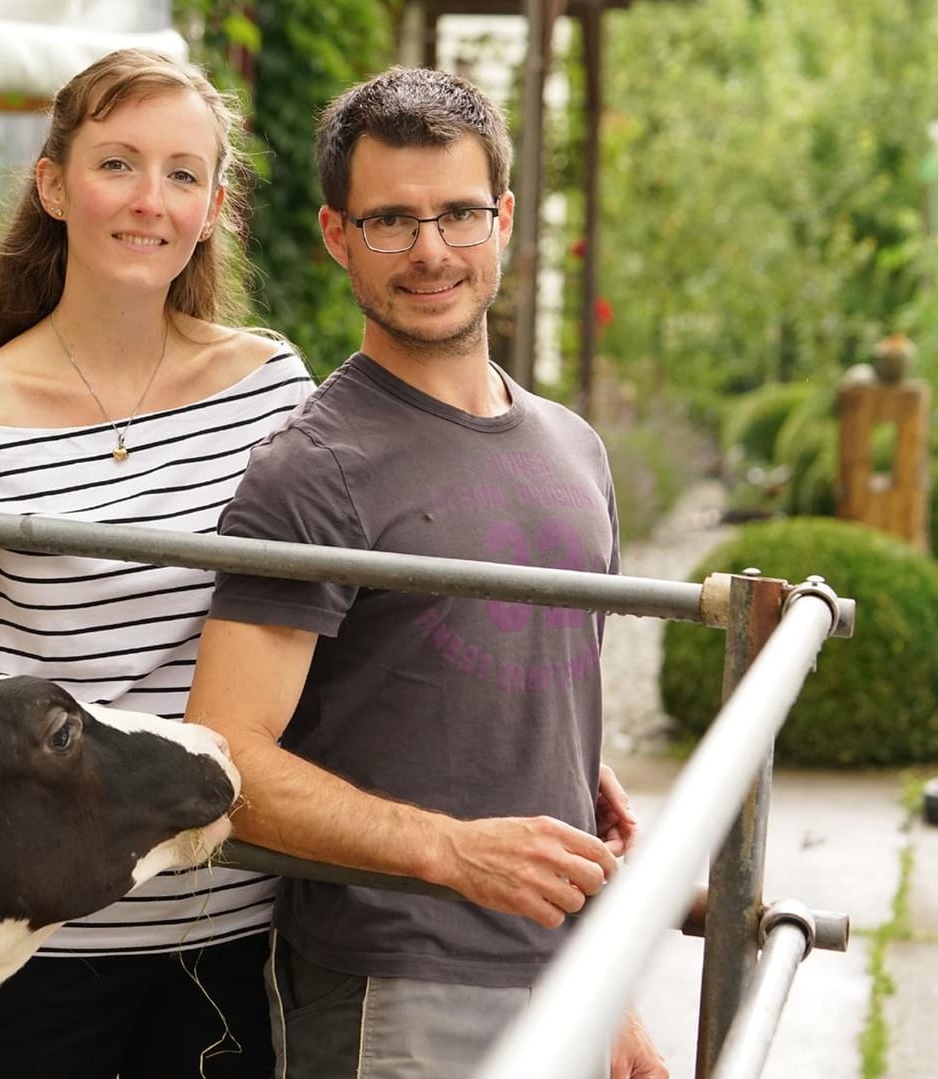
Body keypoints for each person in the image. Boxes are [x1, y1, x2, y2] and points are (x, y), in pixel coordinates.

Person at [184, 67, 667, 1078]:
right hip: (396, 988)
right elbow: (225, 753)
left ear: (504, 215)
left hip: (564, 976)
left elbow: (535, 729)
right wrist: (451, 850)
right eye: (391, 221)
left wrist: (603, 981)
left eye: (457, 213)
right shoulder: (311, 471)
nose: (432, 252)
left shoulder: (575, 449)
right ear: (335, 234)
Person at [0, 48, 315, 1079]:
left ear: (214, 205)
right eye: (117, 163)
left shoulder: (271, 389)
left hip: (229, 922)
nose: (150, 200)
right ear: (53, 183)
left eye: (183, 173)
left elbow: (338, 639)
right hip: (32, 934)